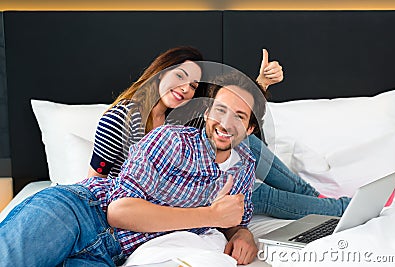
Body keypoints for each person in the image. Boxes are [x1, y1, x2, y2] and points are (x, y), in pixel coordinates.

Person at [0, 71, 267, 266]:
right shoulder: (170, 140)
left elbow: (232, 221)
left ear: (251, 128)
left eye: (240, 116)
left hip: (111, 255)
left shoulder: (244, 166)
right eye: (220, 110)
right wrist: (210, 215)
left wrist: (242, 234)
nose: (226, 122)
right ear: (208, 112)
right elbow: (119, 211)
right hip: (82, 212)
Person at [88, 46, 350, 220]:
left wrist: (261, 84)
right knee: (255, 195)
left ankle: (317, 197)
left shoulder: (182, 117)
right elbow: (93, 182)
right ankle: (341, 208)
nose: (184, 89)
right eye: (179, 76)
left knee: (246, 145)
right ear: (160, 72)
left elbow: (227, 125)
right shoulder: (119, 119)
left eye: (192, 85)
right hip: (150, 201)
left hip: (188, 187)